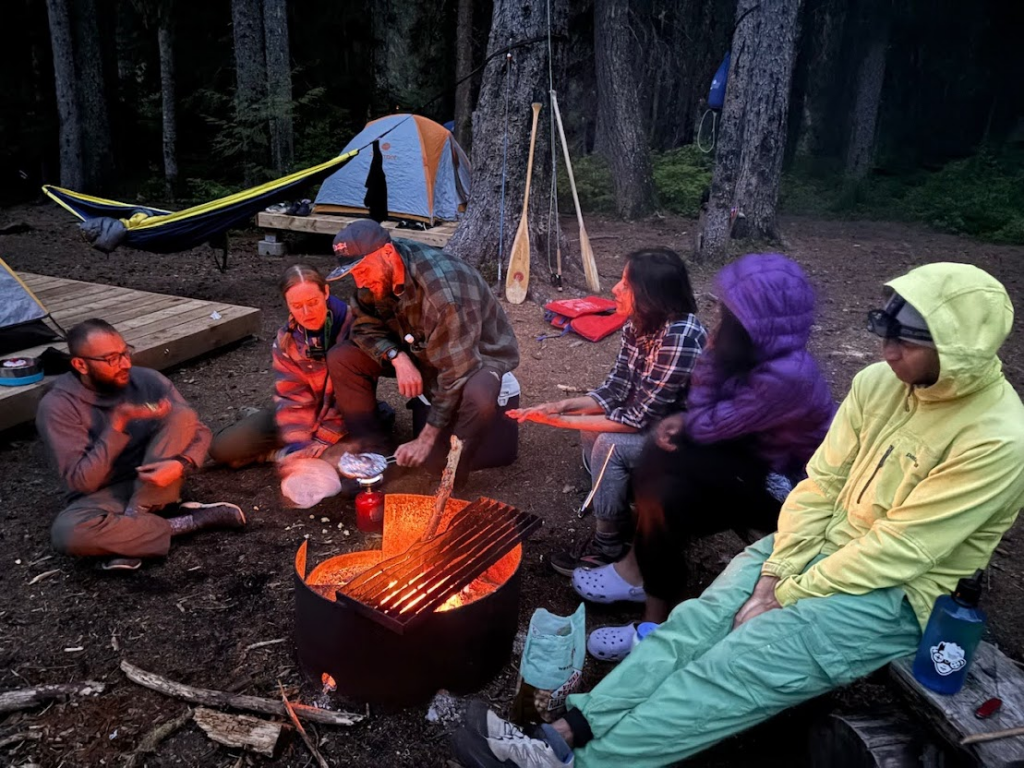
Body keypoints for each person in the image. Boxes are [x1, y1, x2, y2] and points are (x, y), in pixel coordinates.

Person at [452, 261, 1024, 768]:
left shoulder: (996, 438)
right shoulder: (879, 384)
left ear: (958, 351)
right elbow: (822, 484)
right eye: (885, 333)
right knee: (694, 626)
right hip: (814, 543)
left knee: (735, 663)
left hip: (894, 592)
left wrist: (788, 592)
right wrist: (773, 575)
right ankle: (563, 732)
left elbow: (906, 549)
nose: (887, 352)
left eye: (907, 343)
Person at [575, 253, 835, 661]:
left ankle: (651, 610)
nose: (715, 315)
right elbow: (703, 415)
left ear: (754, 320)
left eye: (726, 310)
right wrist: (687, 420)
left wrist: (708, 363)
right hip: (747, 464)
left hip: (788, 489)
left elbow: (709, 424)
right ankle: (643, 583)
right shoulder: (752, 355)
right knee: (662, 471)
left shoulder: (789, 375)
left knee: (664, 474)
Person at [506, 248, 708, 575]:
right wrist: (562, 406)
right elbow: (615, 389)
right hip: (655, 419)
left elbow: (638, 419)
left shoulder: (680, 334)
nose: (615, 288)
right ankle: (621, 506)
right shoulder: (637, 325)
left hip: (688, 435)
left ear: (652, 295)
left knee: (609, 444)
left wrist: (559, 421)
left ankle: (608, 544)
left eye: (626, 284)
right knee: (590, 428)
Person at [36, 319, 245, 572]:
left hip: (157, 481)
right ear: (81, 364)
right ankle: (190, 521)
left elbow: (198, 431)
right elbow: (82, 482)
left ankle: (130, 535)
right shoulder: (58, 406)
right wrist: (117, 425)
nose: (125, 364)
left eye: (125, 352)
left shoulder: (147, 380)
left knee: (182, 415)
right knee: (68, 534)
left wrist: (180, 465)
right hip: (105, 494)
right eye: (111, 359)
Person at [325, 219, 519, 484]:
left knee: (478, 397)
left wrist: (426, 438)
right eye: (353, 273)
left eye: (362, 270)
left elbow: (455, 372)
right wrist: (397, 357)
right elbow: (363, 327)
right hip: (417, 343)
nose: (359, 281)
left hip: (475, 352)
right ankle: (373, 457)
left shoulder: (443, 293)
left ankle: (452, 474)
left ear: (387, 253)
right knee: (342, 357)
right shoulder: (377, 273)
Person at [209, 264, 359, 506]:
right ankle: (277, 447)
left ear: (326, 293)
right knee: (221, 449)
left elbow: (356, 393)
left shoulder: (355, 326)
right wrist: (300, 444)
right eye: (297, 306)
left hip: (345, 416)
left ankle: (277, 452)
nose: (307, 312)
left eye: (313, 302)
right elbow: (292, 396)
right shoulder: (287, 339)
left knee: (351, 477)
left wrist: (322, 439)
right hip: (303, 413)